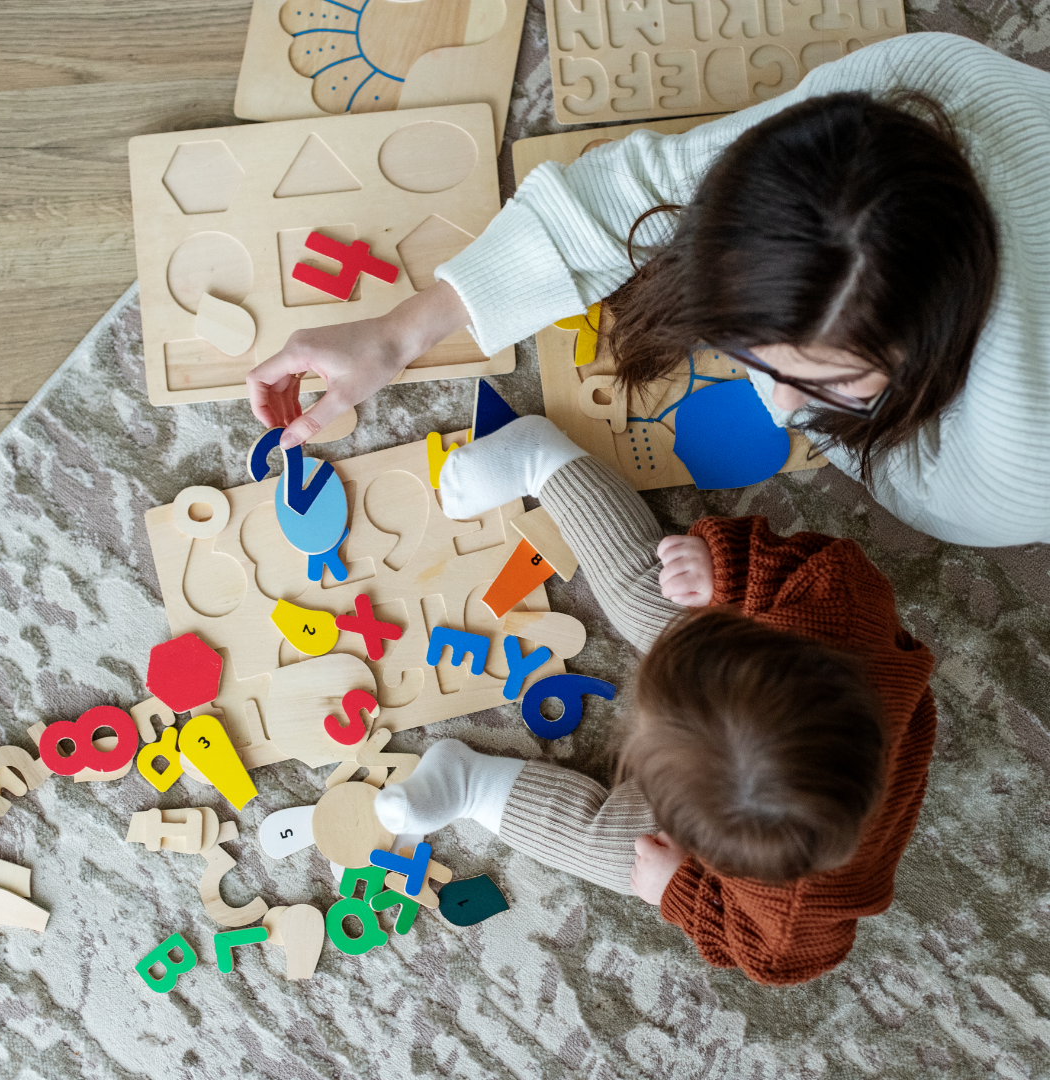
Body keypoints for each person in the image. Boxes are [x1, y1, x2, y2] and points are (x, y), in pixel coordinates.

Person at [248, 33, 1050, 547]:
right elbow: (640, 189)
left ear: (932, 346)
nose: (772, 399)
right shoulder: (909, 80)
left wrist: (836, 424)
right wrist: (397, 333)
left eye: (830, 378)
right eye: (744, 347)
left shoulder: (1016, 461)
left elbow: (931, 500)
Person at [370, 415, 937, 986]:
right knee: (646, 590)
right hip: (770, 698)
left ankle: (469, 784)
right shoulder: (836, 613)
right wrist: (725, 571)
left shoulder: (794, 914)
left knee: (616, 850)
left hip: (730, 837)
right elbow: (822, 562)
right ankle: (542, 460)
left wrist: (680, 890)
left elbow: (774, 960)